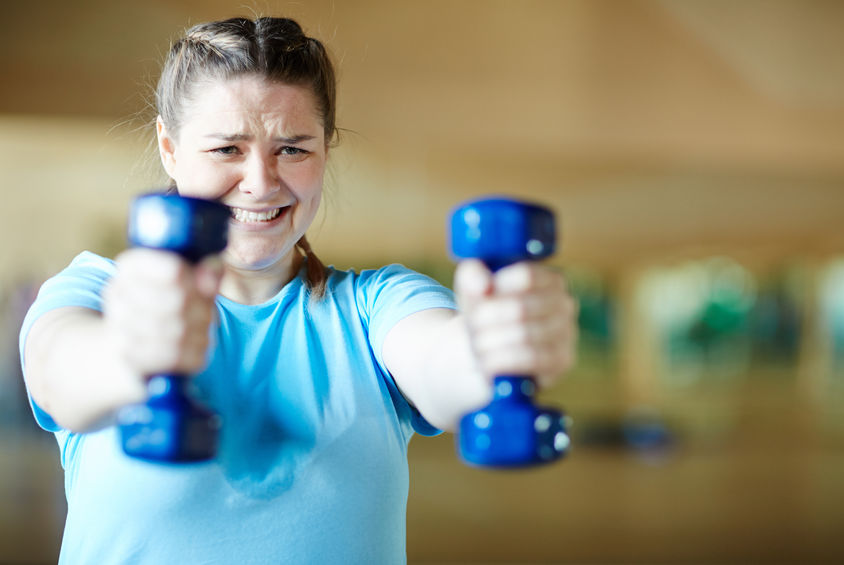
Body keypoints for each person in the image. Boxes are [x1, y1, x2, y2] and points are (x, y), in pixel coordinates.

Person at [18, 16, 577, 564]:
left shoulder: (375, 306)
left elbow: (441, 360)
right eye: (226, 149)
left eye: (293, 148)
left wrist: (493, 347)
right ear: (169, 147)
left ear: (326, 150)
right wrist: (127, 353)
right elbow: (60, 368)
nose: (261, 182)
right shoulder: (96, 290)